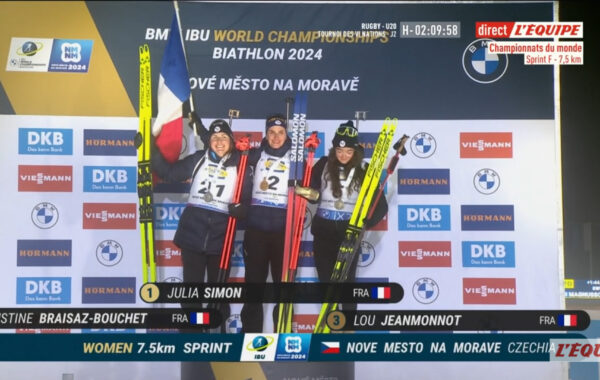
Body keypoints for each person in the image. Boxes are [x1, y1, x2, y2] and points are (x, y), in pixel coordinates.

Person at [152, 119, 251, 332]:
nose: (219, 141)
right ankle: (192, 333)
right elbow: (169, 172)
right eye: (215, 138)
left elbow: (247, 200)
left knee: (219, 292)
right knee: (192, 291)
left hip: (221, 239)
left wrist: (241, 210)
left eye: (224, 137)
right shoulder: (198, 159)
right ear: (209, 141)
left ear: (231, 142)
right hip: (193, 235)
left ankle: (218, 333)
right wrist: (150, 147)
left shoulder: (241, 166)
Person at [302, 120, 387, 312]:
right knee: (326, 284)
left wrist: (364, 223)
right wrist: (305, 191)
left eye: (348, 152)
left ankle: (348, 330)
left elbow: (380, 205)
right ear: (333, 150)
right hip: (323, 233)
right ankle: (331, 330)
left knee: (347, 285)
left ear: (355, 151)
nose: (343, 156)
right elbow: (313, 194)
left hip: (348, 233)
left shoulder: (365, 170)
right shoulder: (323, 164)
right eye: (339, 151)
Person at [240, 113, 292, 332]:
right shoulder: (254, 155)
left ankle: (283, 334)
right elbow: (224, 154)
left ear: (286, 134)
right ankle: (250, 336)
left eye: (280, 133)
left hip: (283, 232)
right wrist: (240, 152)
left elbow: (312, 184)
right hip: (256, 232)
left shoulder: (296, 157)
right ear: (266, 134)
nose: (276, 137)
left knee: (284, 287)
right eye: (272, 132)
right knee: (254, 286)